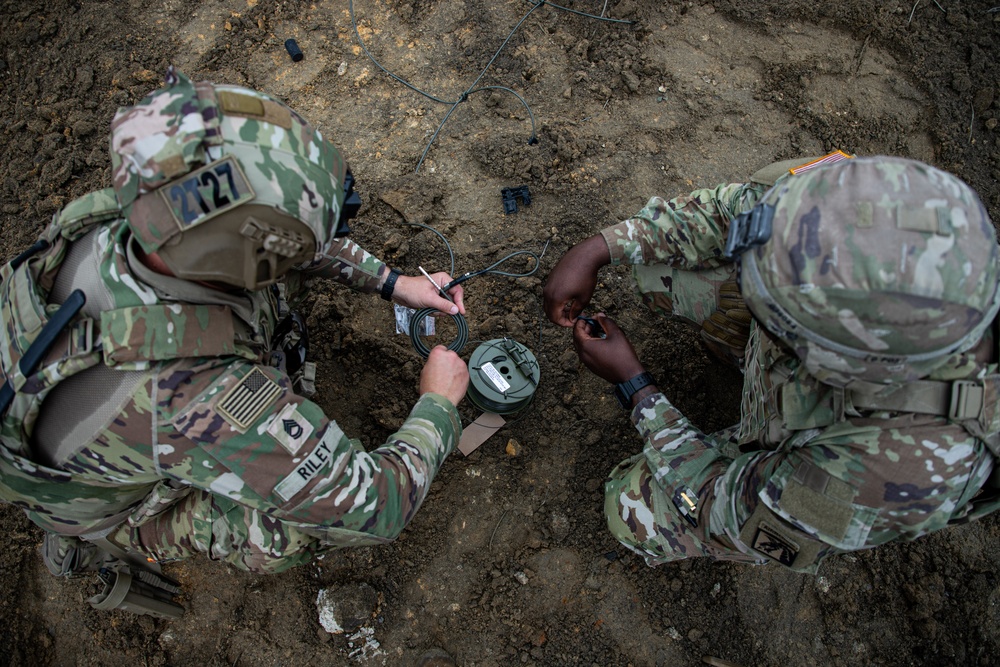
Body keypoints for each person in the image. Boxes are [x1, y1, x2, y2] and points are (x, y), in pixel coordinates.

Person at [0, 67, 470, 604]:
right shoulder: (200, 395)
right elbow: (376, 504)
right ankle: (105, 547)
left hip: (94, 386)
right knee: (285, 534)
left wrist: (392, 282)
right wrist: (437, 403)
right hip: (113, 502)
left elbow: (259, 232)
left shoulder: (131, 210)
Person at [543, 154, 1000, 572]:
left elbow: (722, 511)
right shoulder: (855, 204)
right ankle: (750, 363)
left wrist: (636, 388)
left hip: (835, 456)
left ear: (836, 362)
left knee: (630, 506)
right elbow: (730, 213)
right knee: (655, 267)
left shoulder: (890, 473)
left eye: (776, 319)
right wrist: (596, 250)